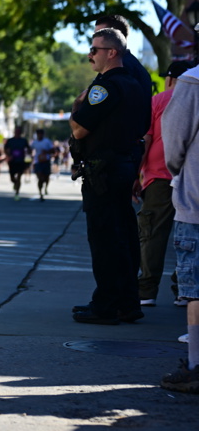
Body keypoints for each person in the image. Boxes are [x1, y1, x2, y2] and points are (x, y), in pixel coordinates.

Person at [70, 28, 150, 325]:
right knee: (124, 237)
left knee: (104, 238)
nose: (90, 55)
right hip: (124, 166)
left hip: (103, 171)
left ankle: (105, 305)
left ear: (112, 52)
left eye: (95, 49)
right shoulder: (136, 84)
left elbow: (80, 129)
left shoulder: (105, 87)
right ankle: (127, 303)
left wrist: (76, 107)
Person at [160, 56, 199, 392]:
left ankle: (196, 364)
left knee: (196, 291)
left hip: (196, 204)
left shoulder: (192, 81)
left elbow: (173, 143)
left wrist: (180, 175)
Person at [137, 61, 190, 306]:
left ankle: (147, 291)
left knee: (153, 234)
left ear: (169, 79)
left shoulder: (157, 101)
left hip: (159, 177)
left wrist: (135, 175)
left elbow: (145, 141)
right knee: (190, 234)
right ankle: (185, 289)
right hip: (190, 179)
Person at [4, 126, 31, 201]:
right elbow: (5, 149)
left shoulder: (24, 140)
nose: (17, 132)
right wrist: (8, 155)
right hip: (12, 161)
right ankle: (15, 183)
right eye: (16, 131)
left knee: (19, 176)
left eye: (19, 131)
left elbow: (28, 149)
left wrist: (28, 156)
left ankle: (17, 193)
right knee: (12, 178)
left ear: (20, 132)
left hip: (21, 161)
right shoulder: (10, 140)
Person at [30, 128, 55, 201]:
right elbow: (30, 149)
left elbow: (53, 151)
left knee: (46, 178)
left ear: (43, 134)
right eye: (38, 134)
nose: (39, 135)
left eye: (41, 134)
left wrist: (47, 151)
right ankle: (41, 193)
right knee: (40, 178)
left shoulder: (47, 141)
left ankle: (46, 187)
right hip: (38, 162)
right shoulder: (34, 142)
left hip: (46, 161)